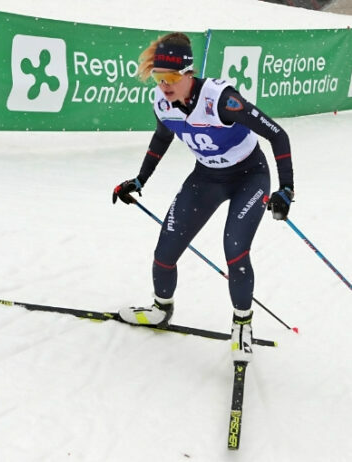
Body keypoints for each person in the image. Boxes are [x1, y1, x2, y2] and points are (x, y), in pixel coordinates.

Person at [112, 32, 294, 361]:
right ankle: (161, 309)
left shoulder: (221, 100)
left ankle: (242, 325)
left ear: (188, 73)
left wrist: (286, 189)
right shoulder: (161, 101)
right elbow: (162, 137)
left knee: (235, 249)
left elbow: (277, 135)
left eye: (171, 78)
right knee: (165, 250)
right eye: (158, 77)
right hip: (207, 177)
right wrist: (139, 179)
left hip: (249, 177)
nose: (164, 85)